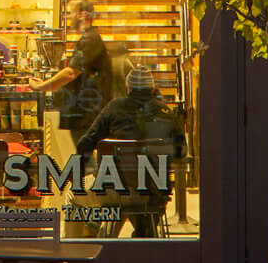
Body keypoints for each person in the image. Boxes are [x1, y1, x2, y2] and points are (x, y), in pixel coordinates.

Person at [74, 65, 187, 237]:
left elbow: (84, 144)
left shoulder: (114, 108)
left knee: (73, 194)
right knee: (136, 197)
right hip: (154, 193)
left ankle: (78, 251)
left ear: (128, 88)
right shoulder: (167, 112)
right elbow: (181, 152)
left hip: (115, 189)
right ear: (153, 88)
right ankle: (144, 231)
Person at [36, 0, 115, 153]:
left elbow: (71, 72)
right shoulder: (87, 39)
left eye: (70, 13)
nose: (68, 17)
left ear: (82, 14)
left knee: (86, 161)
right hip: (84, 112)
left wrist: (42, 86)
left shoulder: (90, 39)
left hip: (86, 113)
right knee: (85, 160)